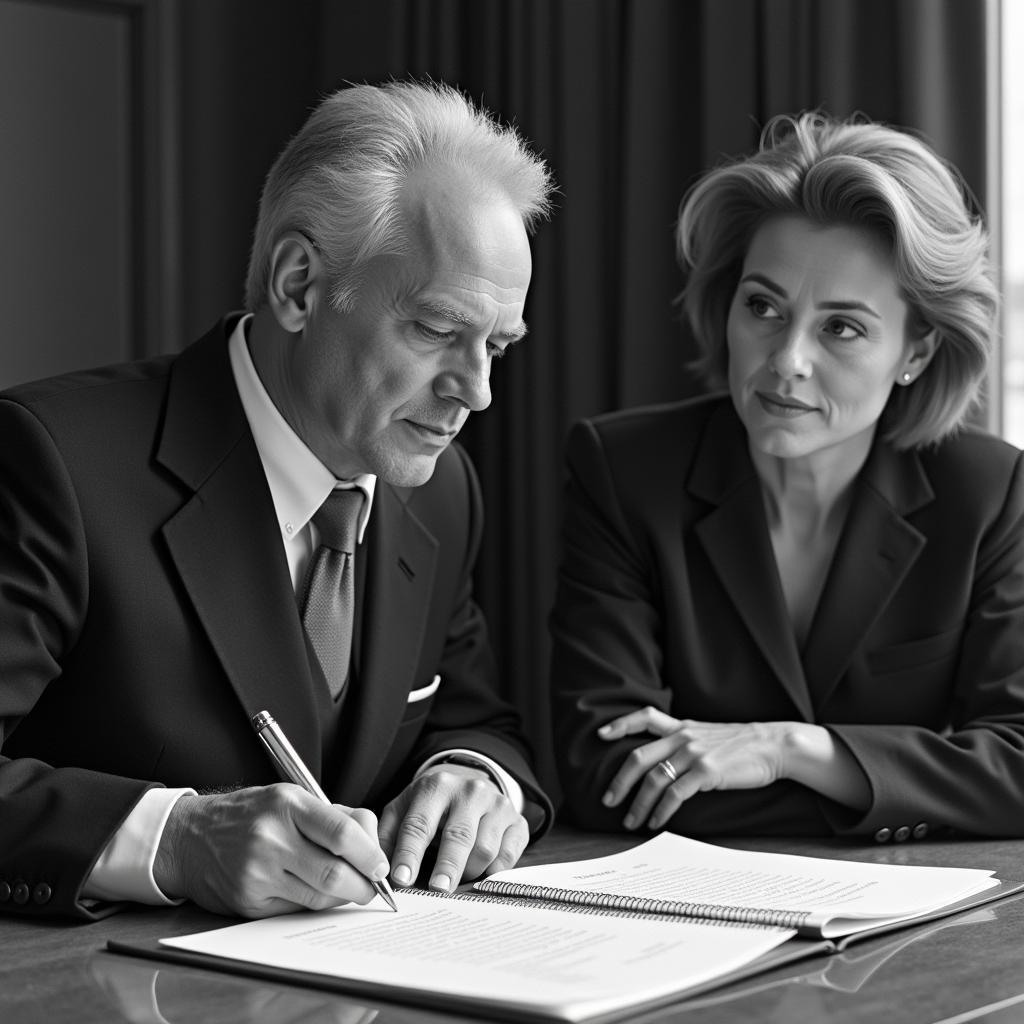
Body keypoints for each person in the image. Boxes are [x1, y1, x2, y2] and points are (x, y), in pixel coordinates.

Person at [0, 79, 555, 920]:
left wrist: (474, 779)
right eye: (439, 331)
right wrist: (177, 840)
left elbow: (476, 720)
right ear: (299, 286)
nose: (475, 393)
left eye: (497, 347)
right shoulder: (50, 460)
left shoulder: (442, 490)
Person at [550, 111, 1024, 842]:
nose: (787, 359)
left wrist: (790, 750)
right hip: (686, 918)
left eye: (842, 326)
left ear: (917, 354)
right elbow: (605, 777)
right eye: (764, 306)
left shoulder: (989, 495)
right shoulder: (625, 472)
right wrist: (904, 791)